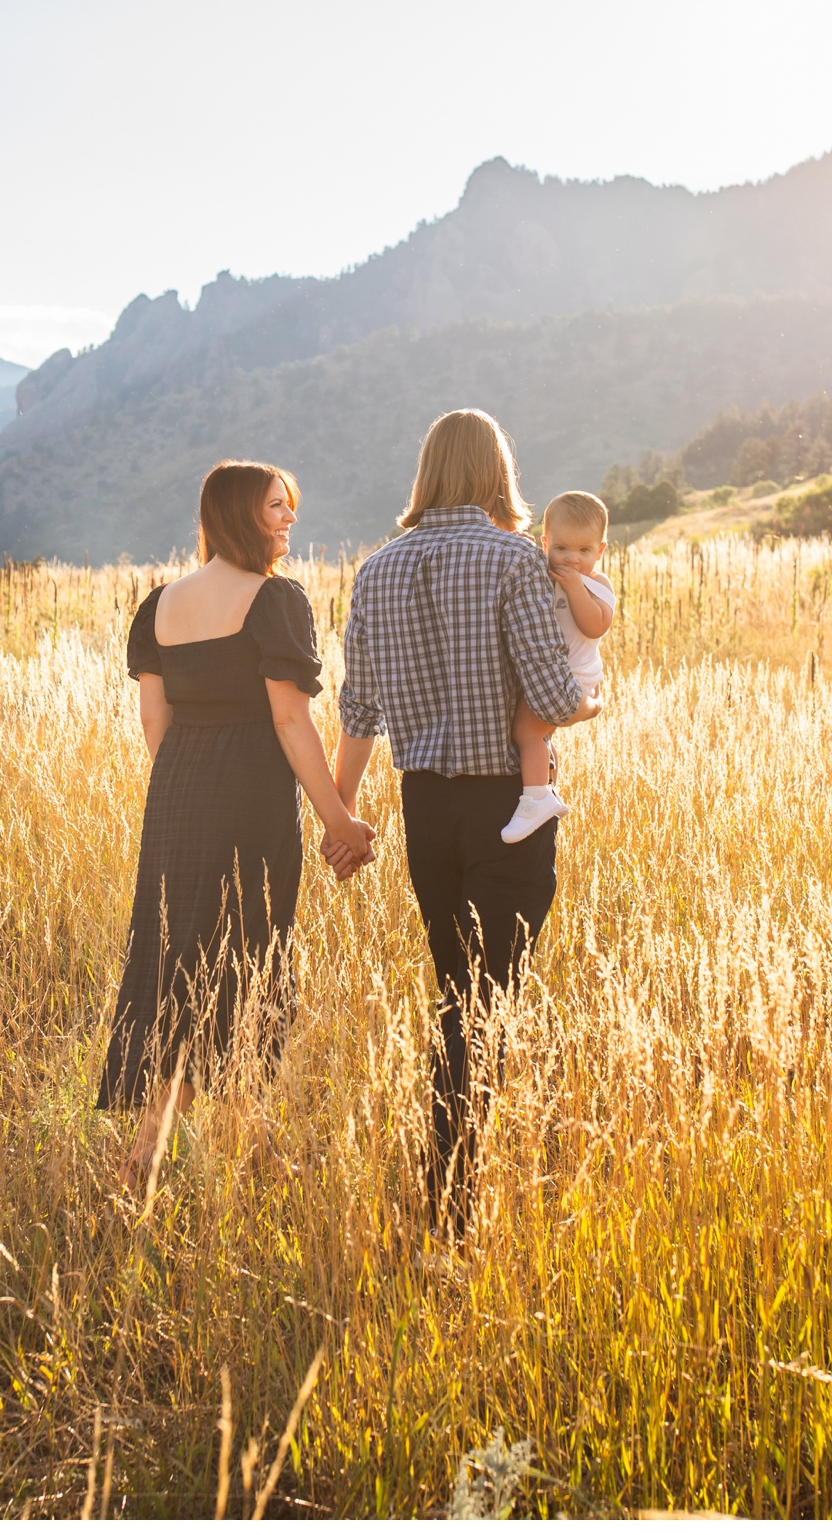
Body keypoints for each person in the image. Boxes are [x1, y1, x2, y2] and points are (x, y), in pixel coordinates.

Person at [327, 410, 595, 1237]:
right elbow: (552, 699)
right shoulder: (518, 559)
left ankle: (449, 1182)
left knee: (457, 992)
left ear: (428, 473)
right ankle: (449, 1199)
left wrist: (342, 815)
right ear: (497, 474)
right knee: (486, 1004)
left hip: (425, 808)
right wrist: (594, 699)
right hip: (506, 809)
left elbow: (360, 710)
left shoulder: (376, 571)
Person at [101, 460, 377, 1190]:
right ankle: (231, 1153)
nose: (288, 520)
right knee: (247, 964)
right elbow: (290, 719)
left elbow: (153, 722)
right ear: (235, 515)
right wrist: (339, 820)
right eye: (273, 509)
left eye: (290, 506)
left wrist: (192, 782)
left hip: (177, 799)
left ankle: (150, 1150)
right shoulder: (275, 600)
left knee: (174, 959)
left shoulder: (158, 604)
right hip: (252, 798)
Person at [502, 490, 615, 844]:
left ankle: (536, 800)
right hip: (551, 673)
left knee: (527, 730)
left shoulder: (597, 584)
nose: (572, 559)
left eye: (584, 551)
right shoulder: (542, 576)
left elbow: (595, 626)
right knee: (540, 731)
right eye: (562, 548)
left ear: (600, 551)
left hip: (574, 678)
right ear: (545, 543)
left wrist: (575, 588)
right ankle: (547, 786)